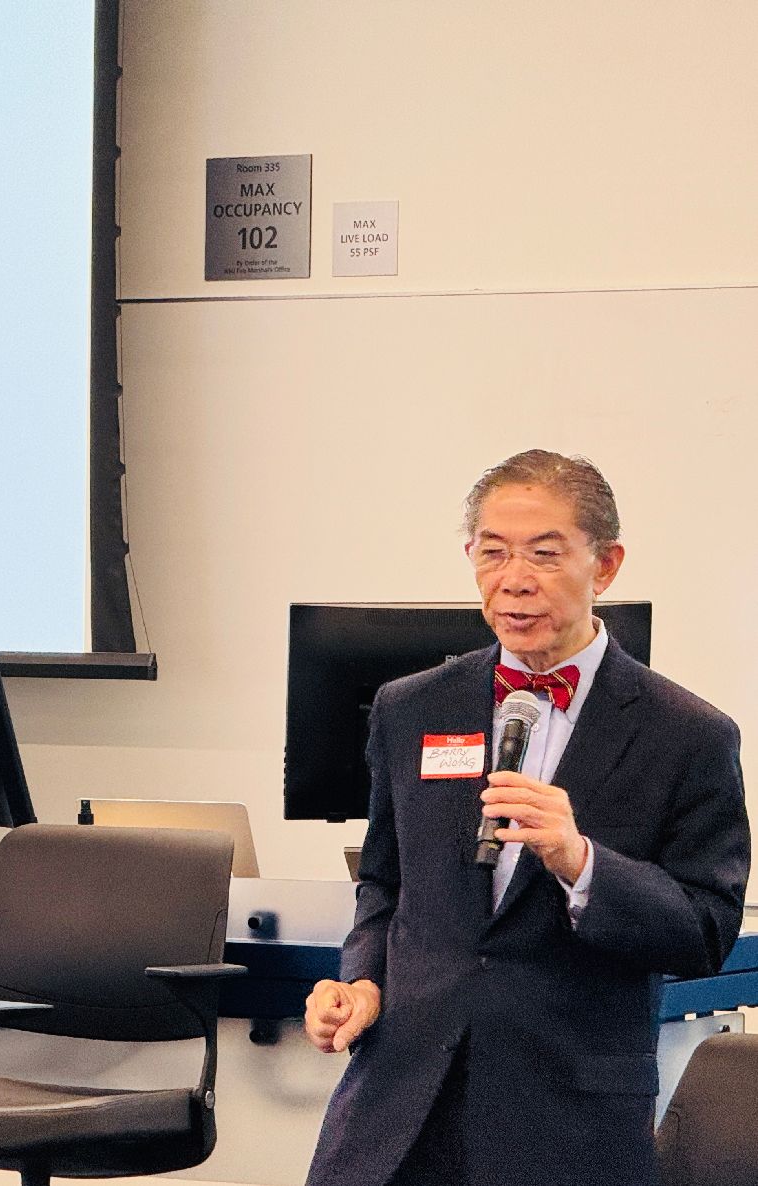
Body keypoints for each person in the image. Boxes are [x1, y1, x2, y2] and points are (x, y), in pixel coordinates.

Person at [302, 449, 748, 1186]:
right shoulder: (411, 707)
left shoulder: (687, 735)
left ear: (606, 566)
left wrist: (582, 863)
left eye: (544, 554)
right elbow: (385, 885)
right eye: (493, 552)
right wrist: (362, 980)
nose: (514, 579)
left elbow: (706, 931)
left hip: (567, 1117)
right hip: (399, 1104)